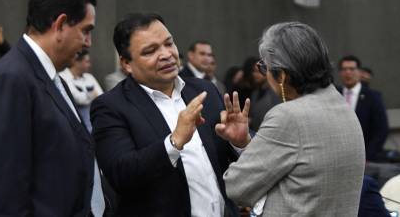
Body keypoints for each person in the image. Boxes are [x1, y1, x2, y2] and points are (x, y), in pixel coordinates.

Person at [91, 13, 246, 217]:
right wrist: (173, 142)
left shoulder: (203, 90)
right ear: (126, 63)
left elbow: (230, 160)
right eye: (150, 51)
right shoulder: (111, 106)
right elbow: (121, 174)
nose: (166, 54)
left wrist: (240, 142)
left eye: (168, 43)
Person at [0, 0, 106, 216]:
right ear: (61, 24)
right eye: (86, 31)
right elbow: (6, 192)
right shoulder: (11, 77)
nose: (88, 43)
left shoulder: (51, 77)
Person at [219, 22, 365, 216]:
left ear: (282, 76)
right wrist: (245, 143)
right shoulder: (343, 106)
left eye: (265, 68)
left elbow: (237, 188)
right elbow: (302, 173)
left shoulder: (288, 116)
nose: (264, 74)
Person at [337, 55, 389, 161]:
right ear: (340, 73)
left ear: (359, 72)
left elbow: (381, 130)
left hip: (365, 157)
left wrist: (367, 156)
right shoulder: (334, 95)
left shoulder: (373, 97)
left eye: (352, 69)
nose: (348, 73)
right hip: (339, 155)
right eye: (344, 69)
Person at [60, 49, 103, 132]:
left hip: (94, 124)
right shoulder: (63, 77)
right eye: (87, 61)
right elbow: (79, 99)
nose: (89, 65)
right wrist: (93, 94)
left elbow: (101, 97)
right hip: (74, 126)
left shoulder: (89, 77)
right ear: (77, 61)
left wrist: (86, 95)